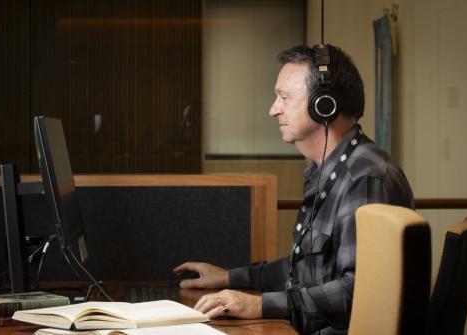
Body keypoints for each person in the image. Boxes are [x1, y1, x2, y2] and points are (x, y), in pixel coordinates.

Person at [173, 44, 414, 334]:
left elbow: (360, 292)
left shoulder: (364, 178)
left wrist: (257, 305)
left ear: (324, 104)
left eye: (284, 97)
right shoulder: (324, 170)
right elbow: (303, 268)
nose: (273, 110)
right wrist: (230, 277)